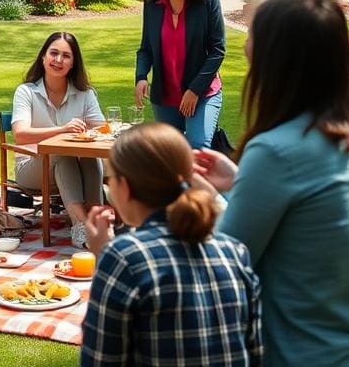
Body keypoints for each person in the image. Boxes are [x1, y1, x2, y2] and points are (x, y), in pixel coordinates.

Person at [194, 0, 349, 367]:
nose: (243, 47)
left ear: (274, 55)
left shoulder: (275, 150)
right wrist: (240, 184)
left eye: (252, 36)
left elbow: (226, 268)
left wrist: (194, 197)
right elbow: (313, 229)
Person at [81, 122, 262, 366]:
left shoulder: (123, 257)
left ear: (124, 187)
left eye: (109, 179)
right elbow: (257, 351)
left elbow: (100, 360)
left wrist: (104, 255)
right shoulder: (234, 251)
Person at [12, 32, 105, 249]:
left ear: (73, 63)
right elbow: (20, 134)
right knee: (61, 152)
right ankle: (81, 226)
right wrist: (63, 130)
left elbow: (102, 129)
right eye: (53, 53)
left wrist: (90, 133)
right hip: (32, 167)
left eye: (66, 56)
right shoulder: (26, 91)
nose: (58, 60)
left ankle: (96, 220)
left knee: (87, 156)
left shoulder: (84, 94)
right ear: (43, 57)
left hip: (70, 167)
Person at [135, 0, 225, 148]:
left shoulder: (208, 0)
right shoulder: (152, 3)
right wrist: (141, 77)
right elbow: (146, 48)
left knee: (197, 148)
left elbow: (217, 51)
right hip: (164, 94)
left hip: (201, 92)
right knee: (170, 153)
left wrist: (195, 90)